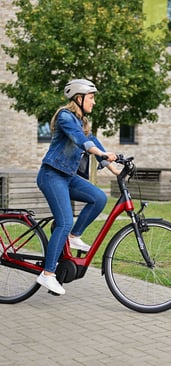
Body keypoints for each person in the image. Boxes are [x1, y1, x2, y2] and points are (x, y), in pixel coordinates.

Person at [36, 79, 119, 295]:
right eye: (91, 98)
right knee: (64, 221)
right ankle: (47, 274)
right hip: (51, 175)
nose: (94, 102)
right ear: (79, 98)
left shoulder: (82, 123)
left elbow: (94, 143)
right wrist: (100, 154)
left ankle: (73, 237)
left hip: (67, 177)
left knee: (99, 198)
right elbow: (81, 140)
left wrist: (116, 169)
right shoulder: (65, 117)